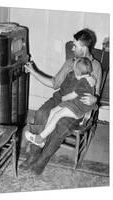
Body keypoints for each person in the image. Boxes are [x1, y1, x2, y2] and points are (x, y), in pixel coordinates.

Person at [19, 28, 102, 175]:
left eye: (75, 46)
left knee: (61, 125)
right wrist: (33, 72)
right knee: (41, 113)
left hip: (76, 106)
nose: (72, 48)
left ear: (83, 48)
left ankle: (42, 161)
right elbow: (55, 83)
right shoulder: (70, 62)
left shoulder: (95, 67)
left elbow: (96, 96)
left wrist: (94, 98)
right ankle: (33, 156)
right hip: (60, 98)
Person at [25, 57, 96, 147]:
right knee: (53, 111)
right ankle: (43, 137)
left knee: (57, 115)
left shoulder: (84, 82)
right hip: (72, 104)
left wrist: (64, 98)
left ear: (78, 72)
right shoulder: (89, 77)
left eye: (74, 69)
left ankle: (39, 138)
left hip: (78, 108)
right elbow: (56, 83)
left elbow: (73, 95)